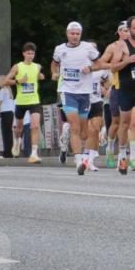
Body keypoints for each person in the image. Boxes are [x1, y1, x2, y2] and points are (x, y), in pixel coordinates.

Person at [102, 16, 135, 174]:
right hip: (125, 91)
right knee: (124, 124)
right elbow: (114, 68)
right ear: (129, 29)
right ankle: (122, 156)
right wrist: (127, 61)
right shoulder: (122, 46)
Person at [51, 22, 99, 175]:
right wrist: (54, 73)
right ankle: (79, 161)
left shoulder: (88, 48)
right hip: (67, 92)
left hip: (84, 93)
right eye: (72, 33)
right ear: (67, 34)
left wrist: (90, 68)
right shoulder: (60, 49)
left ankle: (78, 152)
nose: (75, 36)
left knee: (85, 133)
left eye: (77, 33)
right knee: (74, 125)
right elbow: (54, 64)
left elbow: (101, 63)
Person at [6, 42, 45, 163]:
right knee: (19, 128)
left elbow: (38, 75)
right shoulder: (17, 67)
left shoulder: (37, 66)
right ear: (23, 53)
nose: (30, 55)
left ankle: (34, 153)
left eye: (32, 53)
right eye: (28, 53)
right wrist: (19, 81)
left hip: (34, 101)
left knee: (35, 126)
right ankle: (17, 141)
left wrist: (40, 76)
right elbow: (6, 81)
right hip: (21, 102)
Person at [102, 22, 129, 169]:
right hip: (117, 87)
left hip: (132, 88)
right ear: (119, 32)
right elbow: (101, 63)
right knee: (116, 122)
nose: (128, 33)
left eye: (129, 30)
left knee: (130, 122)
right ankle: (110, 148)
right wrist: (115, 65)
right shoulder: (112, 47)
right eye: (125, 31)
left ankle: (124, 156)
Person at [86, 52, 111, 171]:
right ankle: (82, 156)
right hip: (82, 101)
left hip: (96, 100)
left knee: (95, 129)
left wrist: (104, 88)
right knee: (84, 132)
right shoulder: (80, 65)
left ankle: (90, 160)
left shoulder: (102, 67)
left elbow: (107, 81)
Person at [0, 77, 16, 158]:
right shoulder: (9, 90)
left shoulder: (2, 90)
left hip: (5, 113)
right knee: (10, 134)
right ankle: (11, 152)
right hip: (11, 113)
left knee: (5, 134)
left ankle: (7, 153)